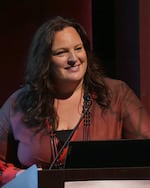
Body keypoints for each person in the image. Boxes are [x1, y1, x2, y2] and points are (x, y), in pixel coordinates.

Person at [1, 15, 150, 186]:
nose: (74, 58)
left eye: (78, 48)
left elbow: (146, 152)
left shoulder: (117, 94)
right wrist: (21, 176)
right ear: (44, 61)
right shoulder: (19, 103)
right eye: (61, 52)